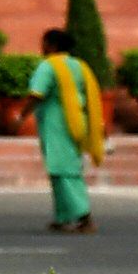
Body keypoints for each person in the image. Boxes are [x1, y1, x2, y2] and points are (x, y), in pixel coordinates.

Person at [30, 24, 109, 232]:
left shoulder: (48, 66)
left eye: (44, 44)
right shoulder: (79, 65)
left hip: (57, 125)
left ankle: (84, 216)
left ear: (51, 45)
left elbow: (36, 93)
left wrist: (21, 115)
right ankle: (64, 217)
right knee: (66, 169)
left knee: (62, 170)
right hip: (78, 122)